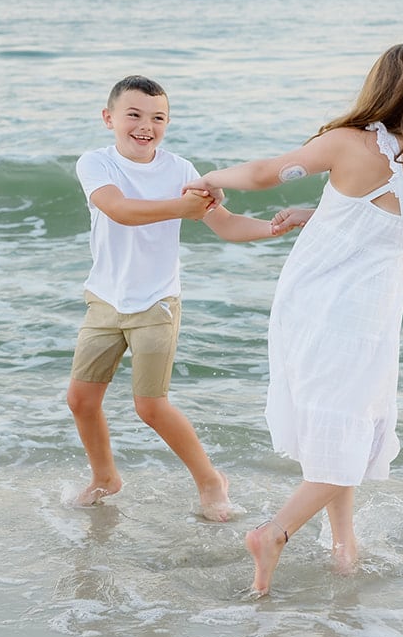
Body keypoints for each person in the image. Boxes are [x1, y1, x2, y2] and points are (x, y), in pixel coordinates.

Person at [193, 44, 403, 595]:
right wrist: (318, 214)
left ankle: (279, 533)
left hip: (316, 300)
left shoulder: (349, 142)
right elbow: (384, 228)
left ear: (382, 86)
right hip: (371, 314)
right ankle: (339, 545)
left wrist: (211, 176)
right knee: (347, 419)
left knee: (341, 424)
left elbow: (266, 173)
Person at [68, 74, 283, 522]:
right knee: (81, 400)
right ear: (109, 118)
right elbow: (119, 210)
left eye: (158, 118)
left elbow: (226, 224)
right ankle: (105, 477)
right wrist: (181, 208)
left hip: (156, 302)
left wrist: (274, 227)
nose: (146, 126)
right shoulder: (96, 163)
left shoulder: (180, 170)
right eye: (134, 115)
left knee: (150, 406)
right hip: (105, 299)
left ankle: (211, 481)